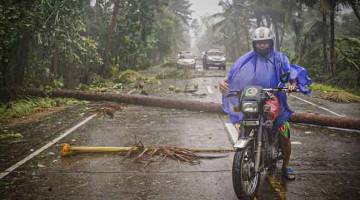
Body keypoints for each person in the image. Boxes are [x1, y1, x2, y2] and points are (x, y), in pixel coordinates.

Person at [220, 26, 312, 180]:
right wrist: (222, 81)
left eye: (265, 42)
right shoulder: (245, 59)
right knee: (244, 125)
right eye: (258, 43)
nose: (262, 45)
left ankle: (285, 166)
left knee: (284, 133)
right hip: (253, 98)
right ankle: (245, 153)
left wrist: (292, 82)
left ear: (270, 42)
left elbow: (290, 73)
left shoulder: (280, 58)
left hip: (275, 99)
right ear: (254, 44)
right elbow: (232, 75)